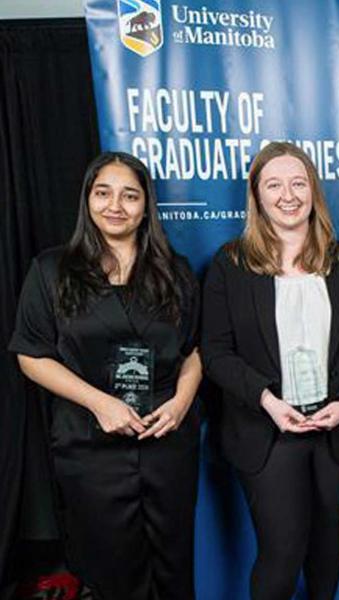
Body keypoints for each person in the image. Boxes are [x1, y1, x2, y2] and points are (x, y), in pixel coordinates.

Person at [9, 152, 202, 599]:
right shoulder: (51, 271)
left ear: (146, 206)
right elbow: (31, 356)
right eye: (103, 193)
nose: (115, 205)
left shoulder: (175, 271)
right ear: (87, 200)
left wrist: (181, 403)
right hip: (89, 446)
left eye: (129, 195)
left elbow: (195, 350)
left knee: (174, 567)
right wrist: (99, 403)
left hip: (166, 443)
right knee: (111, 571)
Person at [201, 142, 339, 600]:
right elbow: (216, 352)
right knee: (281, 554)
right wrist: (267, 400)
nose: (288, 195)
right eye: (274, 185)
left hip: (335, 428)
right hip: (266, 429)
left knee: (327, 544)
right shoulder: (230, 265)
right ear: (256, 195)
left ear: (313, 191)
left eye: (298, 183)